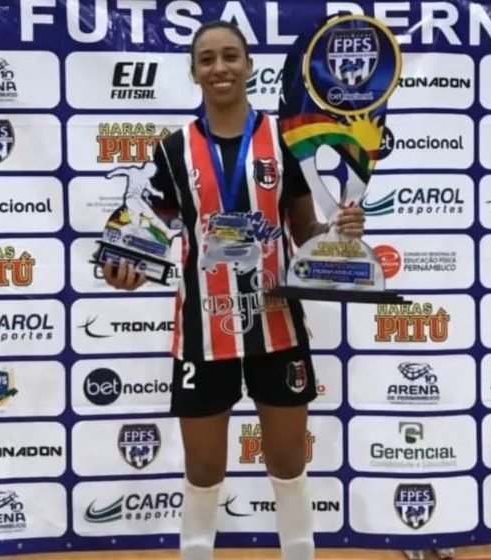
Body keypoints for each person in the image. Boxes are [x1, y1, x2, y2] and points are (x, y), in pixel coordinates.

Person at [103, 19, 366, 560]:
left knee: (289, 464)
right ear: (194, 73)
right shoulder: (174, 151)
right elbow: (142, 239)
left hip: (278, 323)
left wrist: (337, 235)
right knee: (202, 470)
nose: (219, 67)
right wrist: (122, 269)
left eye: (230, 56)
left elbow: (304, 233)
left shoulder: (283, 141)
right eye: (207, 59)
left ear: (249, 66)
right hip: (204, 332)